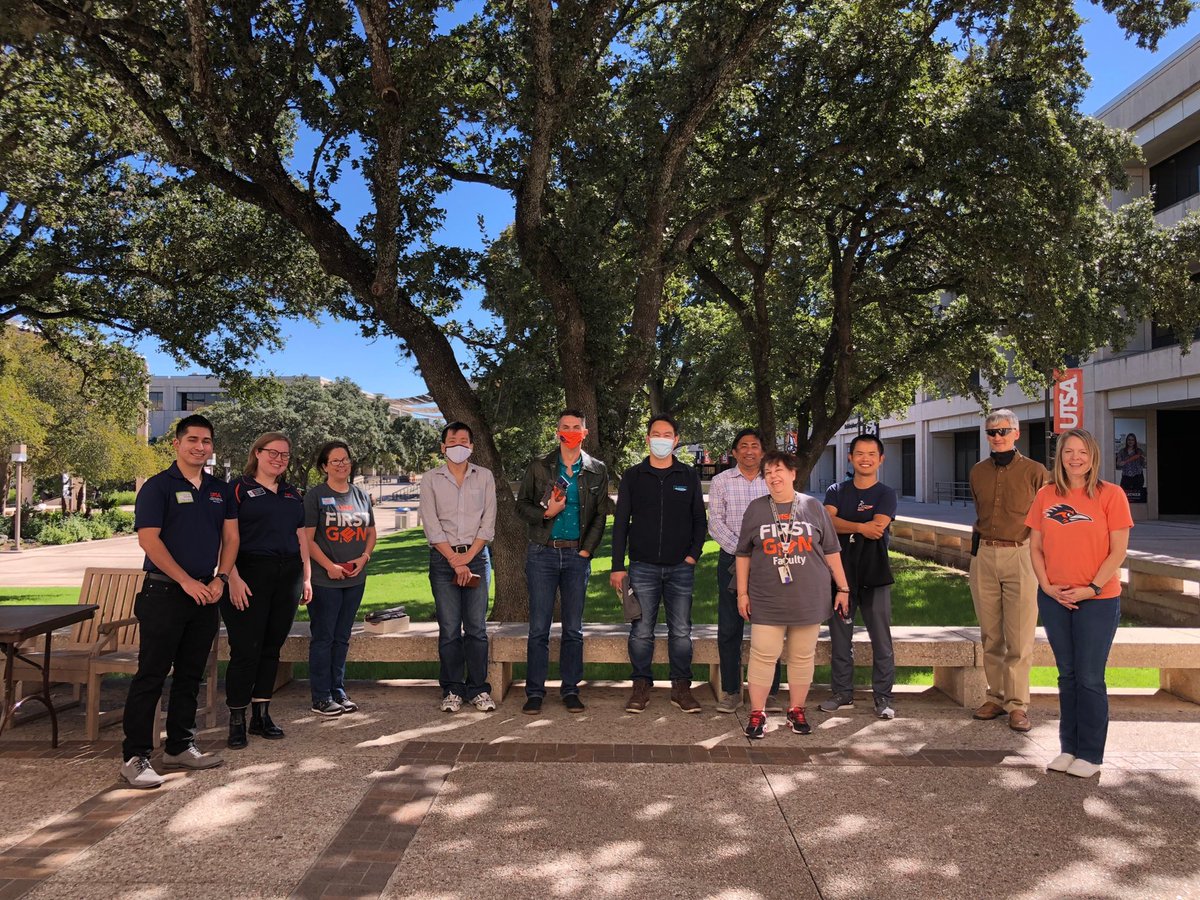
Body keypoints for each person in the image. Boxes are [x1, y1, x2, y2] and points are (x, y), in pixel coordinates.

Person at [119, 414, 235, 789]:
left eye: (206, 441)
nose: (200, 447)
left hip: (205, 594)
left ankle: (180, 746)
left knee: (190, 675)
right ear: (177, 444)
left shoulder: (219, 490)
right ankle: (135, 756)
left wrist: (220, 578)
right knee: (151, 675)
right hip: (164, 593)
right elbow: (149, 540)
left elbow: (231, 539)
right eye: (192, 440)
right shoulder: (158, 487)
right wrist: (184, 581)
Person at [1027, 429, 1133, 779]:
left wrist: (1091, 588)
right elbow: (1035, 547)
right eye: (1068, 451)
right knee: (1068, 675)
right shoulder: (1045, 495)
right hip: (1055, 599)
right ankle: (1069, 748)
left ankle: (1090, 754)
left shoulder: (1111, 495)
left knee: (1089, 677)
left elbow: (1118, 551)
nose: (1075, 458)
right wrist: (1047, 587)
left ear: (1093, 457)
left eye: (1082, 452)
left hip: (1097, 599)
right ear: (1059, 456)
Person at [736, 450, 851, 739]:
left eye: (779, 470)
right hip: (767, 596)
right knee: (763, 654)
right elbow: (743, 554)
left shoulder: (813, 507)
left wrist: (843, 587)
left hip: (808, 596)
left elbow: (831, 551)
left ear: (792, 473)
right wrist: (742, 593)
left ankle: (796, 710)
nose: (773, 477)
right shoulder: (756, 509)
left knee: (802, 656)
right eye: (767, 473)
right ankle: (757, 713)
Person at [610, 414, 706, 714]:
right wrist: (617, 565)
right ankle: (641, 686)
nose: (661, 439)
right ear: (647, 438)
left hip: (681, 568)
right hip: (642, 567)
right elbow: (620, 523)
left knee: (681, 631)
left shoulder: (688, 476)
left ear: (676, 440)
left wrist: (692, 556)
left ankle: (681, 687)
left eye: (667, 435)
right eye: (656, 434)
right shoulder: (633, 476)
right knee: (641, 631)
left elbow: (699, 521)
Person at [516, 409, 609, 715]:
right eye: (565, 427)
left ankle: (570, 690)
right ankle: (535, 692)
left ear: (585, 432)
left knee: (573, 629)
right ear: (557, 432)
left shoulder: (597, 470)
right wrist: (546, 513)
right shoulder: (539, 466)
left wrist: (586, 551)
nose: (570, 432)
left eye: (575, 427)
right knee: (538, 628)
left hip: (576, 556)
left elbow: (600, 516)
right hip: (542, 554)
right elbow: (521, 506)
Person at [222, 432, 311, 749]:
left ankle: (261, 715)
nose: (279, 459)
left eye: (285, 455)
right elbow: (224, 538)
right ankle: (237, 719)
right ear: (257, 453)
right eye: (273, 452)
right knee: (246, 649)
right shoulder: (236, 489)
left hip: (287, 575)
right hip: (247, 574)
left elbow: (301, 537)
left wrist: (306, 578)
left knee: (272, 648)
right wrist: (231, 577)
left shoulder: (292, 494)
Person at [968, 409, 1049, 733]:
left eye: (1003, 431)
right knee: (991, 634)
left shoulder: (1036, 472)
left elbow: (1046, 519)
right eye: (992, 432)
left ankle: (1017, 705)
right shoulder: (977, 472)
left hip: (1020, 555)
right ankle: (995, 697)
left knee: (1019, 636)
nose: (997, 437)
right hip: (984, 556)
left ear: (1016, 433)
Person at [819, 434, 899, 719]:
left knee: (881, 638)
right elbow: (827, 523)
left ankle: (883, 697)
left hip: (875, 572)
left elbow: (878, 527)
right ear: (850, 458)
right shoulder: (836, 490)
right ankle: (842, 692)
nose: (866, 459)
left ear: (881, 459)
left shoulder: (886, 494)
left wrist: (850, 525)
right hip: (841, 574)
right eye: (860, 454)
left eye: (871, 454)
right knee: (841, 637)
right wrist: (861, 527)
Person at [420, 421, 497, 713]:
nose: (458, 446)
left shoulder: (485, 477)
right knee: (450, 628)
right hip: (443, 560)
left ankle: (478, 689)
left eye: (464, 441)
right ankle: (452, 689)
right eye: (452, 442)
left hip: (477, 557)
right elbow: (431, 524)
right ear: (443, 447)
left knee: (476, 628)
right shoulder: (431, 479)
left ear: (472, 446)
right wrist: (454, 559)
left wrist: (467, 557)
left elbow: (488, 522)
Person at [707, 428, 781, 713]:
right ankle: (731, 691)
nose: (749, 451)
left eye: (755, 445)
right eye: (743, 446)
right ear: (734, 452)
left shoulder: (772, 479)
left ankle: (769, 692)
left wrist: (761, 551)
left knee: (770, 626)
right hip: (730, 560)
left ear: (762, 452)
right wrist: (741, 551)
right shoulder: (721, 481)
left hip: (769, 561)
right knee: (729, 627)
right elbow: (716, 523)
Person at [304, 440, 376, 717]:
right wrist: (329, 566)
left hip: (354, 580)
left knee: (342, 637)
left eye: (345, 459)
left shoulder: (360, 495)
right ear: (324, 466)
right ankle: (321, 697)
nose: (342, 464)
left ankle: (338, 691)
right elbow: (307, 540)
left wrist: (364, 558)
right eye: (335, 461)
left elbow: (370, 532)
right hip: (325, 581)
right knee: (324, 637)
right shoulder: (315, 496)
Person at [1115, 433, 1146, 501]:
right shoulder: (1122, 451)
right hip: (1126, 477)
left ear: (1135, 441)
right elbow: (1118, 464)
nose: (1130, 441)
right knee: (1123, 498)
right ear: (1126, 441)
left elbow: (1143, 464)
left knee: (1138, 498)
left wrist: (1143, 459)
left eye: (1132, 440)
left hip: (1138, 476)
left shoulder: (1139, 451)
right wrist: (1121, 463)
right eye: (1129, 440)